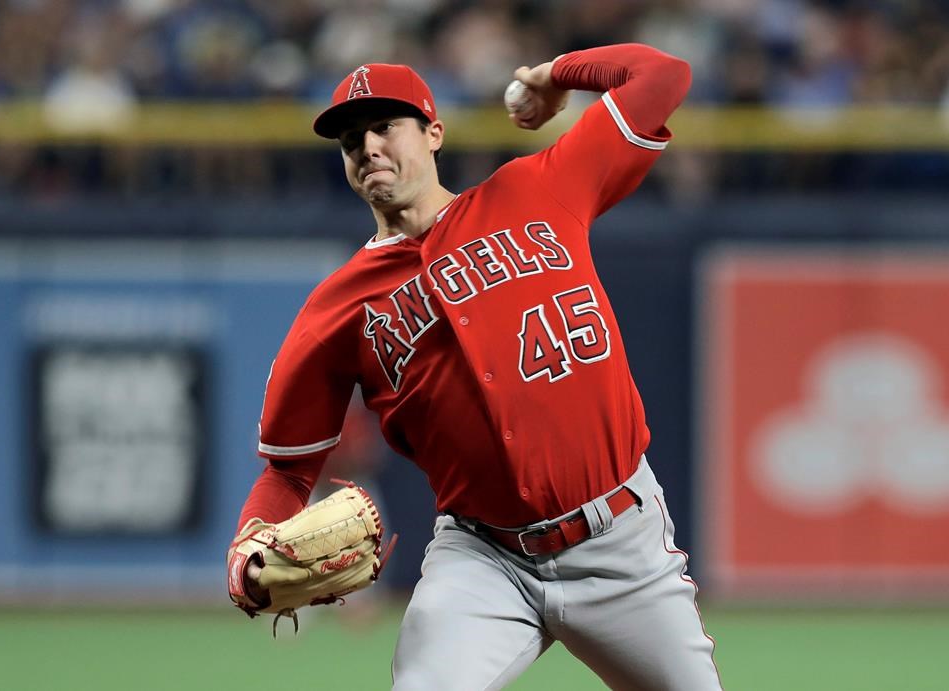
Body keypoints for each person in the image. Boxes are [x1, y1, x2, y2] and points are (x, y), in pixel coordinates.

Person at [229, 43, 721, 690]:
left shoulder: (538, 187)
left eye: (385, 127)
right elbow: (288, 469)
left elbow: (665, 75)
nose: (368, 147)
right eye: (352, 140)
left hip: (620, 539)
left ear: (433, 133)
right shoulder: (336, 308)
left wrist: (553, 75)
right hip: (484, 559)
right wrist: (245, 553)